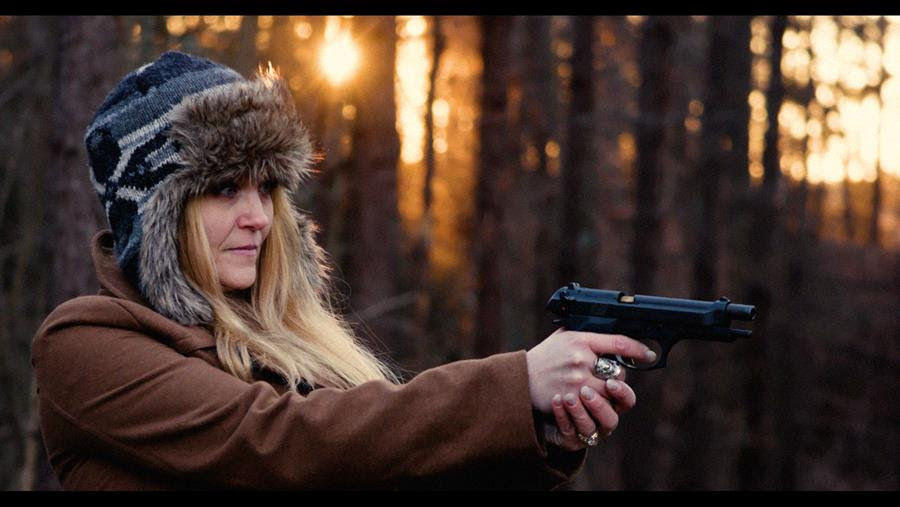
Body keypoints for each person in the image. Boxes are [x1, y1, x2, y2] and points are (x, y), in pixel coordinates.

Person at [31, 51, 653, 490]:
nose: (258, 217)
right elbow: (274, 445)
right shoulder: (85, 346)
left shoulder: (285, 341)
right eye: (223, 189)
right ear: (158, 220)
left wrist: (540, 433)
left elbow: (391, 466)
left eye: (268, 187)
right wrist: (516, 383)